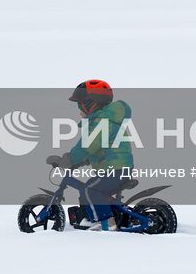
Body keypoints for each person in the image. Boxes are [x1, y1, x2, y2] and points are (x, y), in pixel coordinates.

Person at [46, 80, 133, 231]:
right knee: (92, 189)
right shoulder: (105, 120)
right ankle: (107, 216)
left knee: (89, 190)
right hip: (116, 168)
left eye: (80, 104)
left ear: (91, 103)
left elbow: (87, 146)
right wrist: (82, 161)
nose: (79, 108)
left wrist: (69, 159)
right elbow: (96, 149)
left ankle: (107, 224)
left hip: (114, 169)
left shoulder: (102, 122)